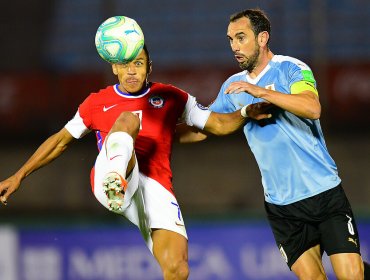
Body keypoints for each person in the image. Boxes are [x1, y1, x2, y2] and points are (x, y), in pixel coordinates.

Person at [0, 41, 272, 280]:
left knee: (178, 269)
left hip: (155, 189)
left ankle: (119, 186)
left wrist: (247, 111)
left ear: (149, 66)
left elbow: (217, 125)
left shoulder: (171, 97)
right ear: (115, 69)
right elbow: (59, 141)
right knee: (129, 119)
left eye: (138, 63)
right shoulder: (97, 102)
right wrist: (19, 175)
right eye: (125, 65)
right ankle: (115, 181)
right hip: (111, 176)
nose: (132, 71)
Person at [177, 8, 370, 280]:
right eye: (230, 39)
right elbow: (206, 128)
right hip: (282, 207)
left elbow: (312, 108)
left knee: (353, 276)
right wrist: (157, 136)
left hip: (324, 194)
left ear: (262, 38)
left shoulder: (291, 68)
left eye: (241, 37)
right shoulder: (233, 86)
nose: (234, 46)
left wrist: (261, 91)